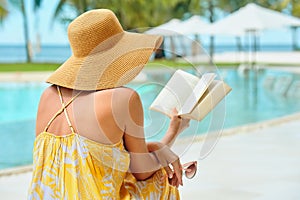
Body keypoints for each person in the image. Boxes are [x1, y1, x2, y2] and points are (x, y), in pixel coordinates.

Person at [28, 9, 194, 199]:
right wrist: (173, 132)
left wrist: (156, 146)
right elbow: (141, 171)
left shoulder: (47, 96)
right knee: (160, 178)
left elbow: (89, 159)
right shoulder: (123, 98)